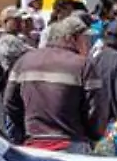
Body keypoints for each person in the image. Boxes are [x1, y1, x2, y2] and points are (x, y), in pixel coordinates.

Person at [5, 15, 96, 152]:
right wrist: (92, 136)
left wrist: (25, 129)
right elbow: (95, 109)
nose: (88, 45)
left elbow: (10, 102)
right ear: (71, 38)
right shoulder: (83, 65)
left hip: (33, 144)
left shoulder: (23, 61)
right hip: (72, 144)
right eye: (84, 39)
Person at [0, 7, 33, 134]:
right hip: (12, 87)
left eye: (19, 19)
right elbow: (32, 54)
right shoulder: (7, 41)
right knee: (14, 126)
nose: (19, 22)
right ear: (6, 22)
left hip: (17, 87)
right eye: (15, 20)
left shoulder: (16, 39)